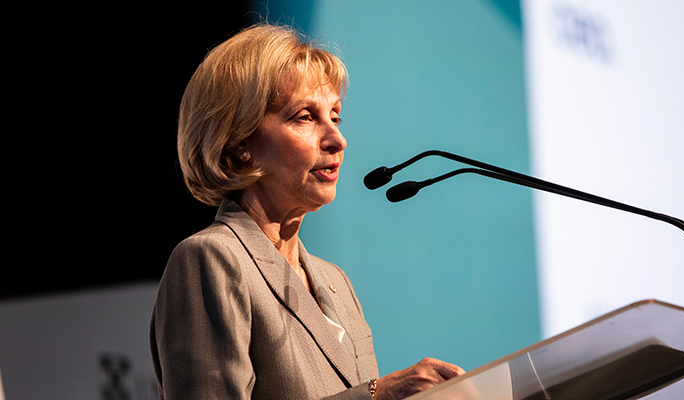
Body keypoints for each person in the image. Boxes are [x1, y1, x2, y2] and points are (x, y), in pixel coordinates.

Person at [149, 23, 465, 400]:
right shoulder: (211, 260)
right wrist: (377, 396)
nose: (337, 139)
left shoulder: (336, 282)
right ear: (238, 143)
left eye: (335, 116)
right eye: (304, 116)